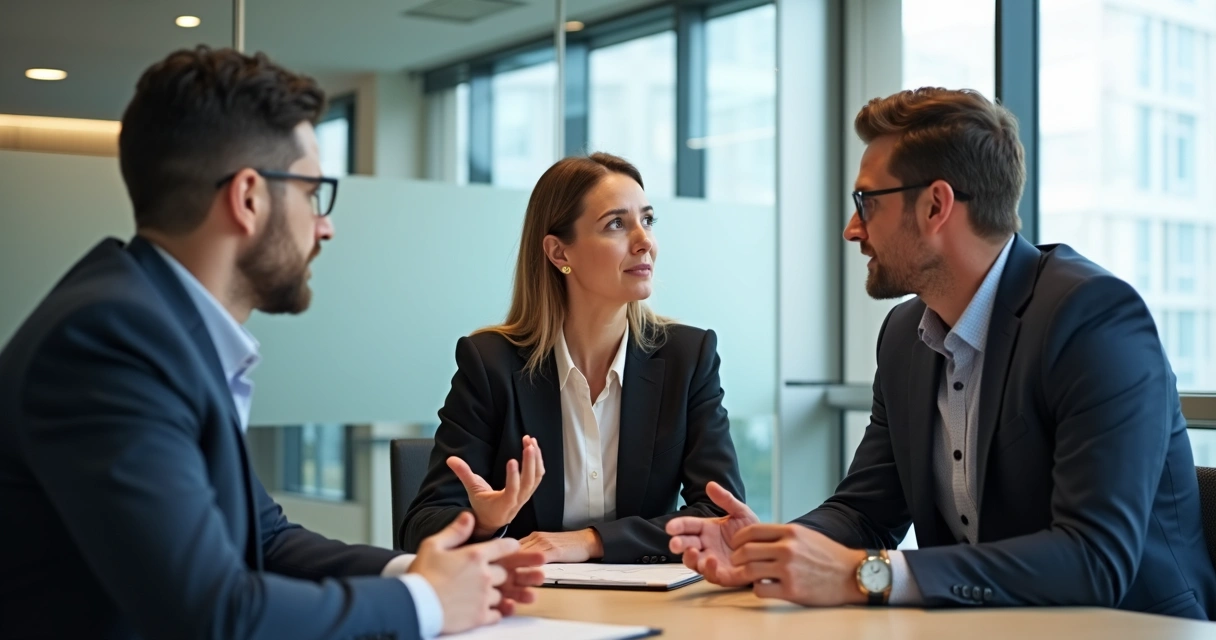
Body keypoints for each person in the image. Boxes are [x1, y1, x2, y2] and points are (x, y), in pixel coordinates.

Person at [0, 46, 543, 640]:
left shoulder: (157, 326)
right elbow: (214, 614)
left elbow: (265, 538)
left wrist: (423, 570)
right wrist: (424, 602)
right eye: (313, 193)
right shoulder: (110, 344)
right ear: (249, 197)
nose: (325, 224)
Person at [665, 88, 1216, 619]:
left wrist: (868, 575)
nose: (851, 229)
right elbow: (865, 512)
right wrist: (770, 549)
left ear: (935, 205)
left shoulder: (1092, 317)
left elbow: (1095, 559)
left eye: (866, 202)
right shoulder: (905, 335)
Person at [400, 152, 745, 565]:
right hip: (528, 606)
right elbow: (419, 526)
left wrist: (591, 541)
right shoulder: (490, 364)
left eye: (648, 220)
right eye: (617, 224)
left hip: (649, 604)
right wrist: (484, 520)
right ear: (559, 253)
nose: (644, 241)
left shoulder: (687, 358)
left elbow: (722, 517)